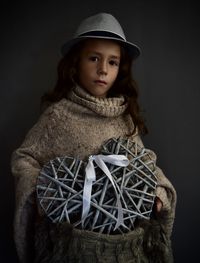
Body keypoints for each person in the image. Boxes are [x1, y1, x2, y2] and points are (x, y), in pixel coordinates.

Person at [11, 12, 177, 263]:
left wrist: (156, 193)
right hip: (73, 247)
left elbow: (144, 166)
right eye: (94, 58)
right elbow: (24, 158)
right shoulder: (58, 116)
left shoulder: (124, 118)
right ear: (76, 62)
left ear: (120, 69)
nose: (103, 70)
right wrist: (44, 192)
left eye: (112, 62)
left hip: (122, 248)